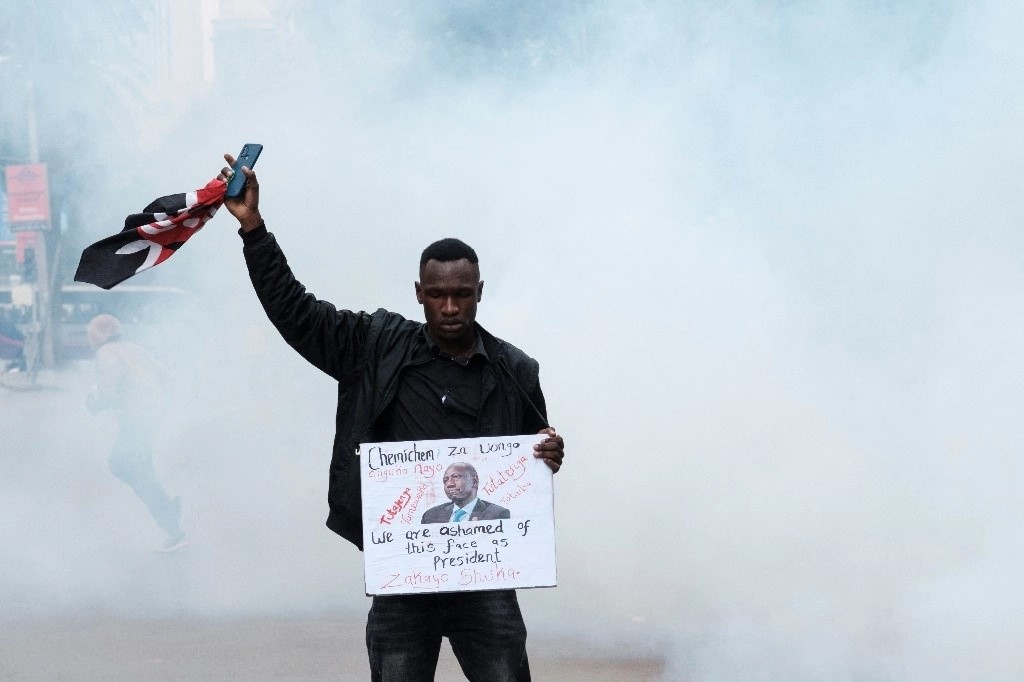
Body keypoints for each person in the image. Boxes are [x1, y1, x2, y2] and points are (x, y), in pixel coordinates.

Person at [220, 153, 566, 682]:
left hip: (487, 581)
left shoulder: (516, 369)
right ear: (419, 295)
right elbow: (295, 311)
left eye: (461, 295)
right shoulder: (373, 346)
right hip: (404, 577)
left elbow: (531, 463)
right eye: (437, 295)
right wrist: (253, 229)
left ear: (479, 293)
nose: (450, 307)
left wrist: (551, 454)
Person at [86, 313, 186, 552]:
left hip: (136, 420)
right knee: (141, 468)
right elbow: (168, 379)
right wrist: (160, 409)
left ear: (97, 335)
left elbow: (108, 393)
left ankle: (169, 515)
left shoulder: (106, 353)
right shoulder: (134, 348)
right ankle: (172, 528)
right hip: (149, 418)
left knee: (120, 464)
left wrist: (94, 403)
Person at [421, 462, 510, 524]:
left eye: (455, 477)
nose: (449, 484)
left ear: (474, 482)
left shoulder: (497, 514)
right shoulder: (430, 516)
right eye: (445, 480)